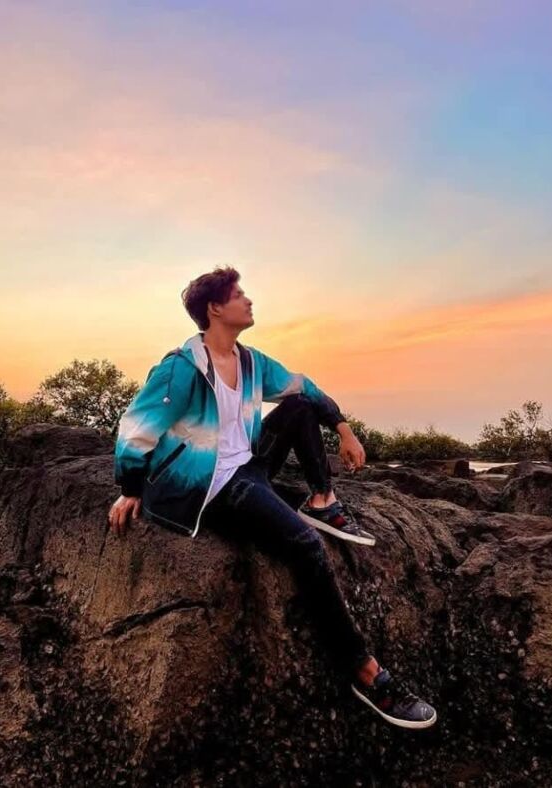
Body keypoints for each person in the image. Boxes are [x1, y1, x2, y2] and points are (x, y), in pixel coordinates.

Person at [108, 266, 437, 729]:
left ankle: (322, 499)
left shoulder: (250, 362)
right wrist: (130, 488)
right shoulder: (181, 368)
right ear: (215, 308)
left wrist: (343, 428)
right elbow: (135, 428)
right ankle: (365, 673)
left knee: (299, 406)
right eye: (238, 294)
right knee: (306, 546)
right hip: (213, 486)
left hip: (250, 464)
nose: (248, 300)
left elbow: (303, 387)